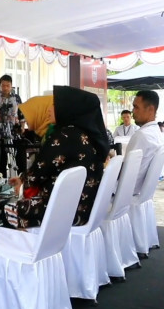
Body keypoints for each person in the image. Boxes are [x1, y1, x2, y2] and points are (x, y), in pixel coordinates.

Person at [6, 86, 108, 229]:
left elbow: (39, 173)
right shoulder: (85, 134)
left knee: (7, 210)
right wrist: (23, 179)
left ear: (67, 108)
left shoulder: (65, 135)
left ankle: (27, 243)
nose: (49, 109)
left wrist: (23, 184)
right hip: (84, 208)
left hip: (64, 211)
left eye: (54, 105)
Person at [126, 91, 164, 194]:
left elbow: (126, 175)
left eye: (136, 107)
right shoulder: (157, 132)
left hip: (127, 195)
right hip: (143, 194)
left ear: (150, 109)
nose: (133, 111)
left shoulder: (142, 135)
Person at [0, 74, 25, 176]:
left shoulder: (16, 98)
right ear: (0, 85)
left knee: (19, 159)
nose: (5, 88)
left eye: (8, 86)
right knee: (0, 162)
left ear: (11, 86)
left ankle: (20, 179)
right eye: (3, 85)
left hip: (14, 133)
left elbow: (22, 115)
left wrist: (22, 127)